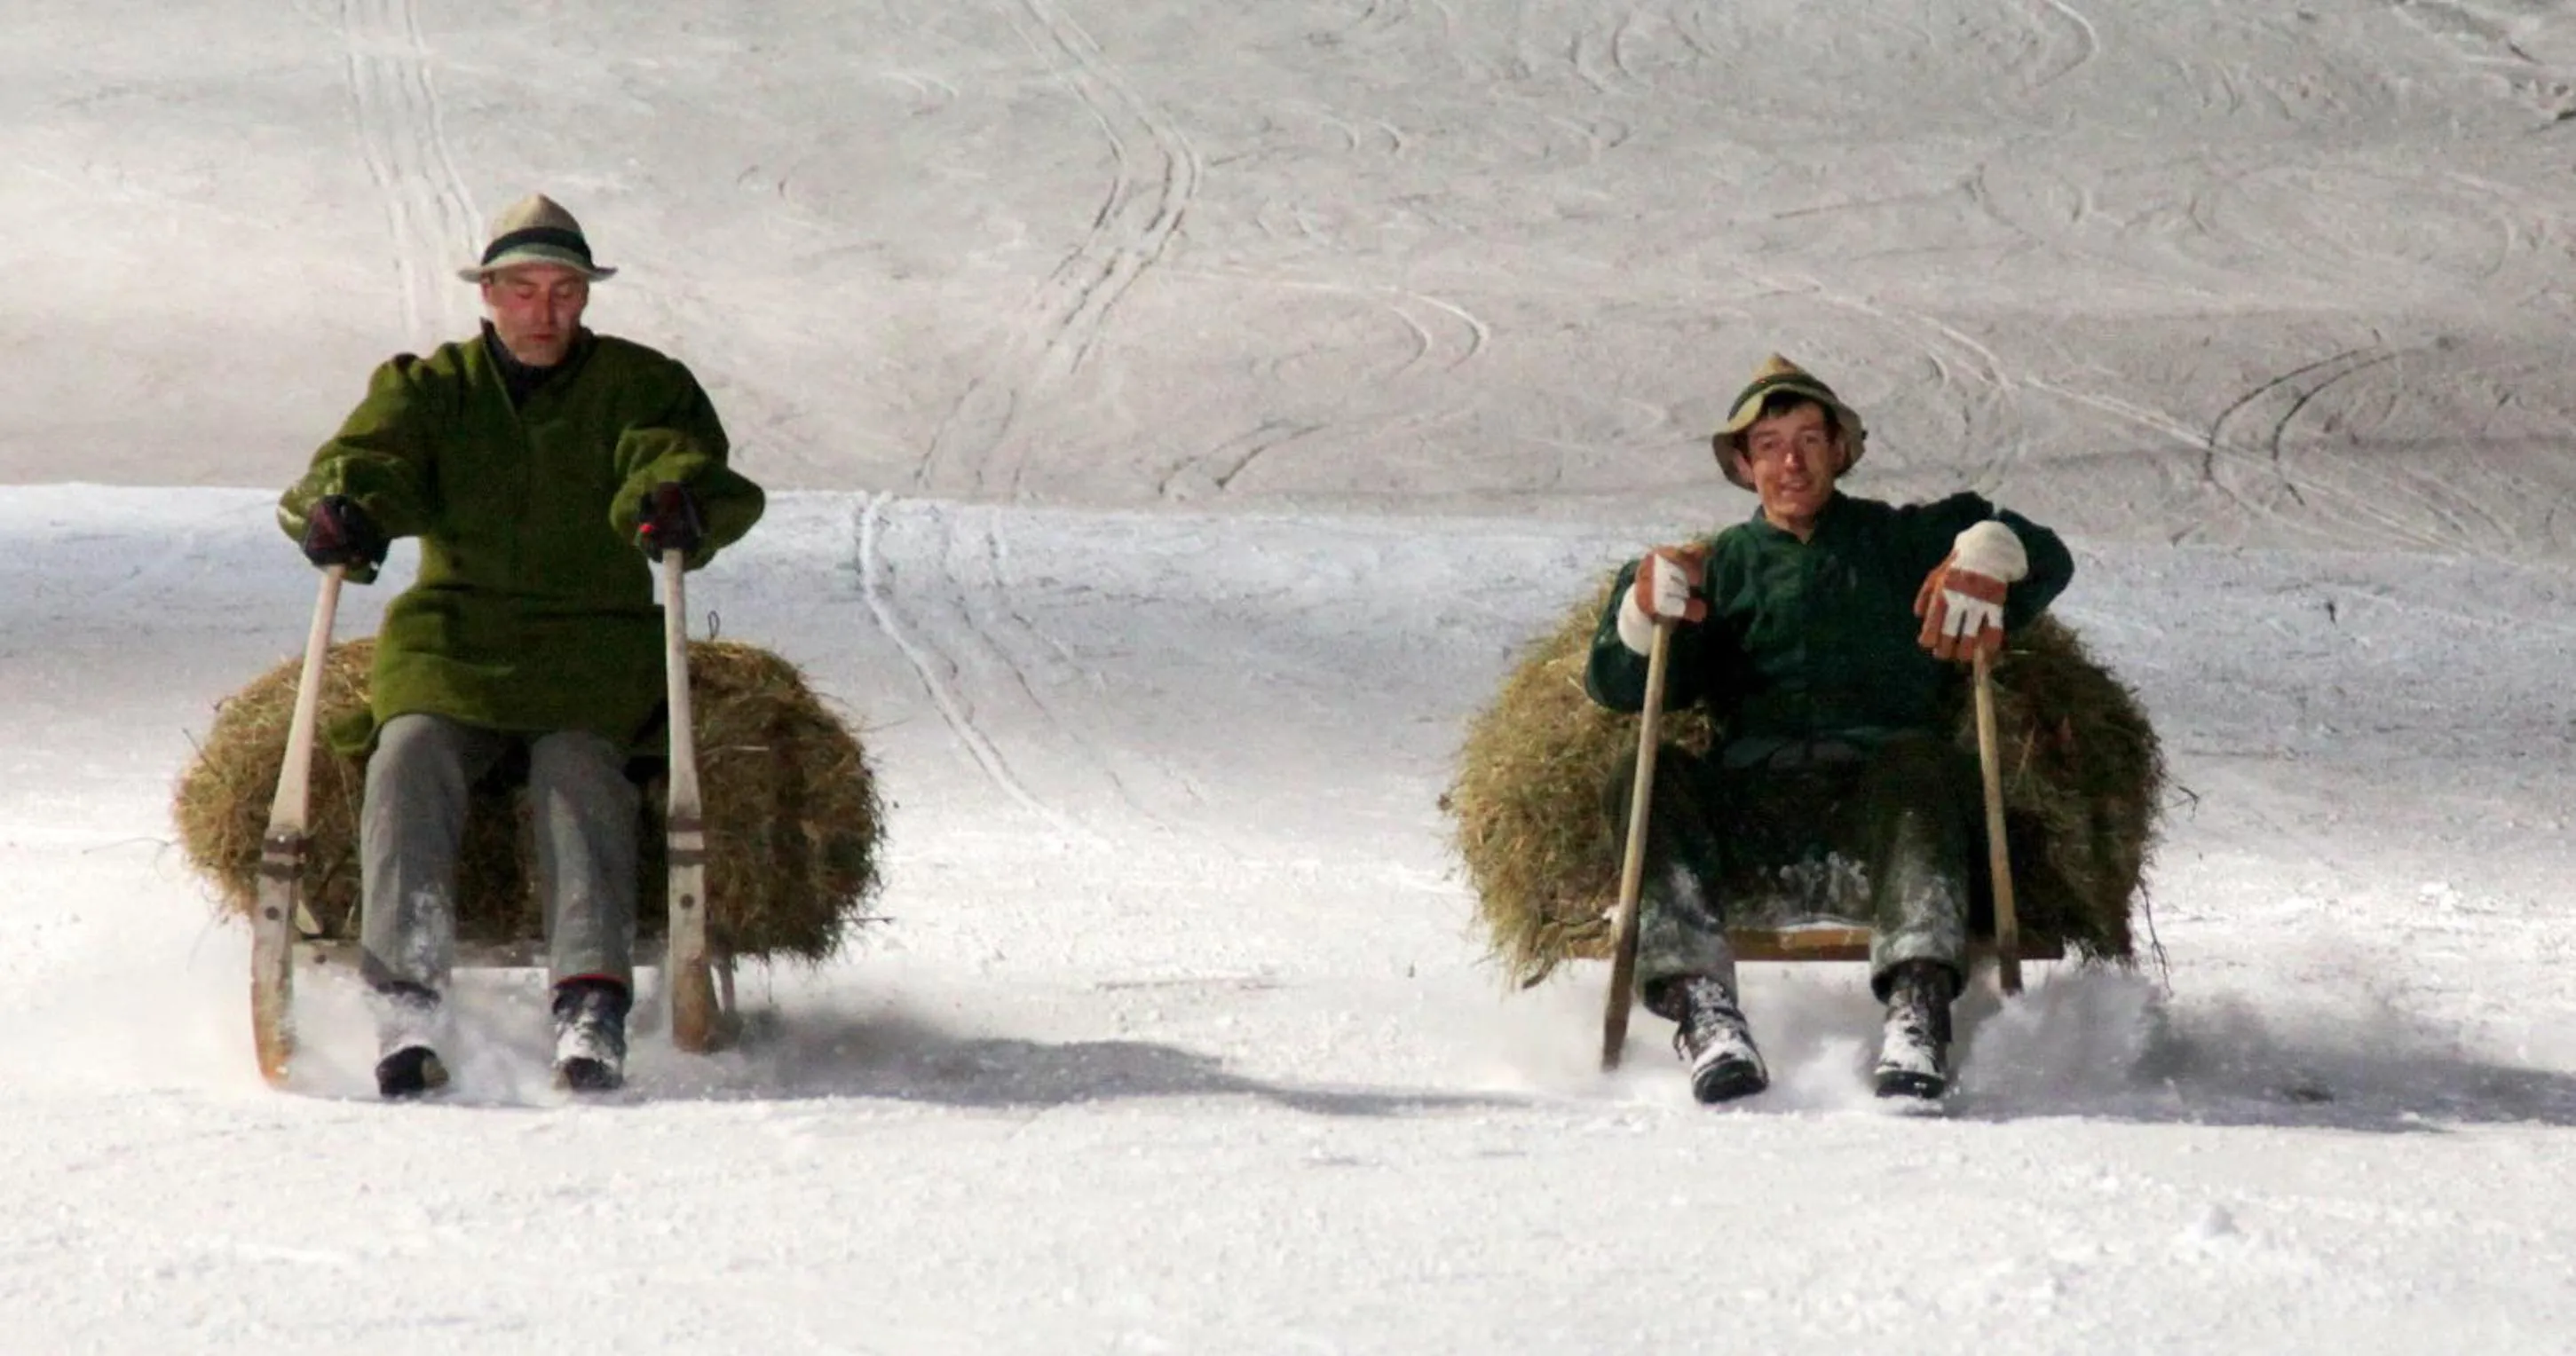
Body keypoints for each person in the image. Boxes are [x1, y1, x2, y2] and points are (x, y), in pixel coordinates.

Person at [278, 193, 765, 1099]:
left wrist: (670, 497)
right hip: (453, 636)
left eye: (563, 291)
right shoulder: (431, 389)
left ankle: (589, 1001)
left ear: (584, 298)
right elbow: (370, 458)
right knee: (409, 751)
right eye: (523, 291)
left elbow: (672, 454)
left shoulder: (641, 384)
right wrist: (347, 507)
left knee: (581, 769)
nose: (543, 313)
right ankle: (407, 998)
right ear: (489, 295)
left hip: (592, 640)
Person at [1586, 354, 2073, 1102]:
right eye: (1770, 445)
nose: (1791, 461)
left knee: (1924, 763)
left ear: (1840, 451)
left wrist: (1990, 550)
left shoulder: (1907, 543)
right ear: (1744, 466)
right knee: (1650, 779)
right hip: (1752, 814)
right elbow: (1620, 686)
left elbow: (2044, 553)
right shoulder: (1711, 569)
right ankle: (1704, 1011)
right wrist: (1641, 612)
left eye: (1810, 440)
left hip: (1886, 816)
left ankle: (1918, 1009)